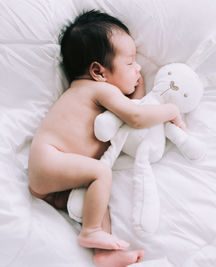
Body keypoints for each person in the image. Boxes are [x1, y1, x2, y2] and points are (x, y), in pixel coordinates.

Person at [28, 10, 185, 267]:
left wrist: (139, 91)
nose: (139, 67)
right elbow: (135, 117)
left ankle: (104, 254)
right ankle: (90, 232)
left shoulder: (94, 92)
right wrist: (171, 110)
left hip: (55, 178)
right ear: (98, 71)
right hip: (50, 160)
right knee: (101, 173)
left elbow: (129, 118)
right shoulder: (98, 89)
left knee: (99, 196)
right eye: (130, 62)